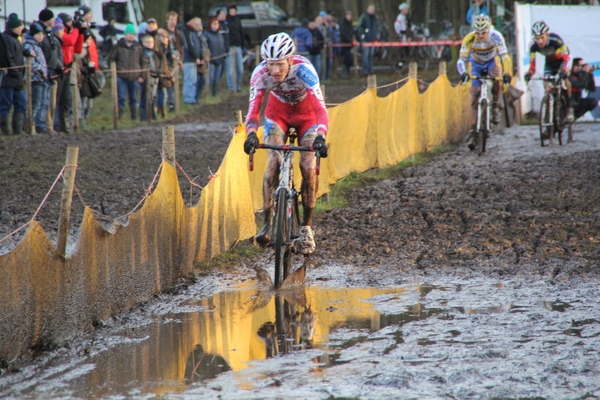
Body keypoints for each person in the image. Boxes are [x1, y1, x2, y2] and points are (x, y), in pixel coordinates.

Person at [242, 33, 329, 254]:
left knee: (308, 166)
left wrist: (320, 137)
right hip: (277, 116)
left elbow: (320, 109)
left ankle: (307, 228)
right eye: (271, 65)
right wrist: (251, 134)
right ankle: (268, 223)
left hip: (307, 117)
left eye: (280, 64)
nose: (275, 70)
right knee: (273, 162)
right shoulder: (260, 74)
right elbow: (253, 110)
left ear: (290, 60)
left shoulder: (305, 70)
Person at [457, 14, 511, 150]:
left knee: (497, 78)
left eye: (483, 33)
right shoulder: (469, 39)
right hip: (475, 65)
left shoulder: (496, 36)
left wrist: (507, 73)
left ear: (489, 30)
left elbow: (505, 57)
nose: (480, 36)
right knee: (473, 96)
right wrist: (463, 73)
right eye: (478, 33)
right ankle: (472, 133)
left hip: (491, 63)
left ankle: (494, 105)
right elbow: (461, 60)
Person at [525, 21, 574, 123]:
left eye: (542, 37)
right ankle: (549, 115)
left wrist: (565, 70)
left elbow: (567, 58)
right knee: (547, 84)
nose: (539, 41)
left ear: (547, 34)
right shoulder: (533, 45)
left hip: (562, 61)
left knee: (564, 81)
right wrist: (529, 73)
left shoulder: (556, 40)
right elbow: (532, 65)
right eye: (537, 38)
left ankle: (569, 107)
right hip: (550, 63)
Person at [109, 23, 148, 120]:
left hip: (135, 77)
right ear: (125, 34)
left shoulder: (139, 47)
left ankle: (134, 118)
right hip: (121, 77)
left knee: (134, 98)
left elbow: (144, 62)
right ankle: (118, 118)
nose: (131, 36)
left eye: (133, 34)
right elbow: (111, 59)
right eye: (129, 34)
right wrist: (115, 72)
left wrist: (142, 76)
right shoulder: (118, 46)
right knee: (121, 98)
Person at [36, 8, 62, 135]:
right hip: (44, 72)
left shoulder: (50, 34)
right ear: (47, 20)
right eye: (52, 18)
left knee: (49, 101)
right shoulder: (40, 33)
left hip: (52, 70)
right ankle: (42, 125)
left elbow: (54, 53)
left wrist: (60, 67)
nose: (54, 21)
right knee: (43, 101)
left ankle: (48, 125)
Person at [0, 14, 27, 135]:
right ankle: (5, 130)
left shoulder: (15, 38)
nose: (21, 28)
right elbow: (9, 57)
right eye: (19, 26)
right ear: (13, 27)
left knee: (21, 102)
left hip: (17, 77)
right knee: (5, 104)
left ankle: (17, 130)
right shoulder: (6, 39)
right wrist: (15, 71)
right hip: (9, 77)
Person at [74, 5, 99, 128]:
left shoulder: (90, 36)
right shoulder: (79, 30)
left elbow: (93, 52)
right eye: (89, 14)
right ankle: (80, 124)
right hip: (82, 73)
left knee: (89, 102)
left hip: (91, 70)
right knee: (82, 101)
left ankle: (83, 122)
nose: (91, 17)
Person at [22, 23, 48, 135]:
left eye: (42, 34)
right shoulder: (29, 46)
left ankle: (34, 125)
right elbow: (30, 63)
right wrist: (40, 71)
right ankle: (28, 125)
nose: (41, 36)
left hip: (41, 79)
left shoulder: (38, 46)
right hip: (34, 79)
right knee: (35, 103)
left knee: (41, 103)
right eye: (38, 34)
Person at [179, 15, 207, 104]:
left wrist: (200, 57)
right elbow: (188, 45)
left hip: (194, 59)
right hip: (189, 59)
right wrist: (196, 57)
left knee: (193, 80)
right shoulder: (186, 31)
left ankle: (192, 98)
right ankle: (188, 99)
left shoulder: (192, 31)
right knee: (189, 80)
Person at [164, 11, 184, 111]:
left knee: (176, 82)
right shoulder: (164, 33)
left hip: (177, 60)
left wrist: (181, 60)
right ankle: (170, 104)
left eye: (175, 20)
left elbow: (181, 48)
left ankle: (175, 103)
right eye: (171, 19)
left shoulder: (178, 33)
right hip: (167, 61)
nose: (173, 22)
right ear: (167, 20)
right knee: (168, 83)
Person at [155, 29, 175, 117]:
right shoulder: (157, 49)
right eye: (162, 37)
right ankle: (158, 112)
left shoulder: (166, 49)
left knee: (164, 93)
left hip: (165, 73)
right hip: (158, 73)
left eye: (166, 37)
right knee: (158, 94)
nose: (165, 39)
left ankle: (163, 112)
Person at [205, 17, 226, 97]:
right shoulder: (207, 35)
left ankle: (215, 92)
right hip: (212, 59)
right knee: (211, 77)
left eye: (217, 24)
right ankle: (210, 93)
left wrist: (223, 55)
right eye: (214, 24)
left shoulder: (219, 35)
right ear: (210, 25)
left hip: (219, 59)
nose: (216, 26)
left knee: (217, 77)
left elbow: (222, 46)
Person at [226, 4, 246, 92]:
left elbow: (241, 33)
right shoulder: (226, 21)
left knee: (240, 68)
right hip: (230, 47)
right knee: (230, 69)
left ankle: (238, 86)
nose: (233, 12)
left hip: (238, 46)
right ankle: (231, 87)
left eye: (234, 11)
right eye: (231, 11)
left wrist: (243, 46)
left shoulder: (238, 21)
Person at [357, 4, 377, 75]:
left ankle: (370, 69)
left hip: (372, 40)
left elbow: (375, 28)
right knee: (366, 55)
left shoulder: (374, 18)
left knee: (371, 55)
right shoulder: (364, 17)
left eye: (373, 10)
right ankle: (365, 70)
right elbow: (359, 26)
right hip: (366, 40)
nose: (372, 11)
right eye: (371, 9)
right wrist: (364, 34)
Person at [339, 11, 354, 79]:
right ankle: (344, 74)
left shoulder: (350, 25)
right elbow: (345, 34)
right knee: (347, 59)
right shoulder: (343, 25)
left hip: (349, 45)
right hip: (344, 45)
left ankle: (346, 74)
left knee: (348, 60)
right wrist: (350, 41)